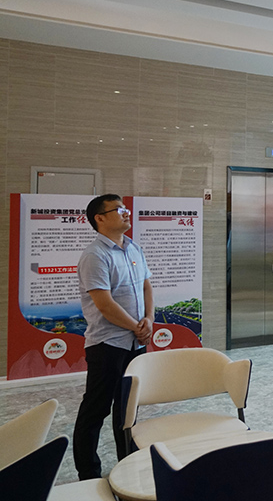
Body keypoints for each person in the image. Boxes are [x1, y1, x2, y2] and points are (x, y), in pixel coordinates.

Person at [73, 194, 154, 480]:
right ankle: (88, 474)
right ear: (100, 218)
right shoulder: (95, 255)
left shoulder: (133, 248)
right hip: (107, 344)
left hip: (135, 343)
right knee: (96, 409)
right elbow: (104, 304)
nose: (126, 213)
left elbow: (146, 286)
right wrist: (136, 326)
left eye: (125, 208)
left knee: (128, 409)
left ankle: (128, 465)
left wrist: (149, 319)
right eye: (119, 210)